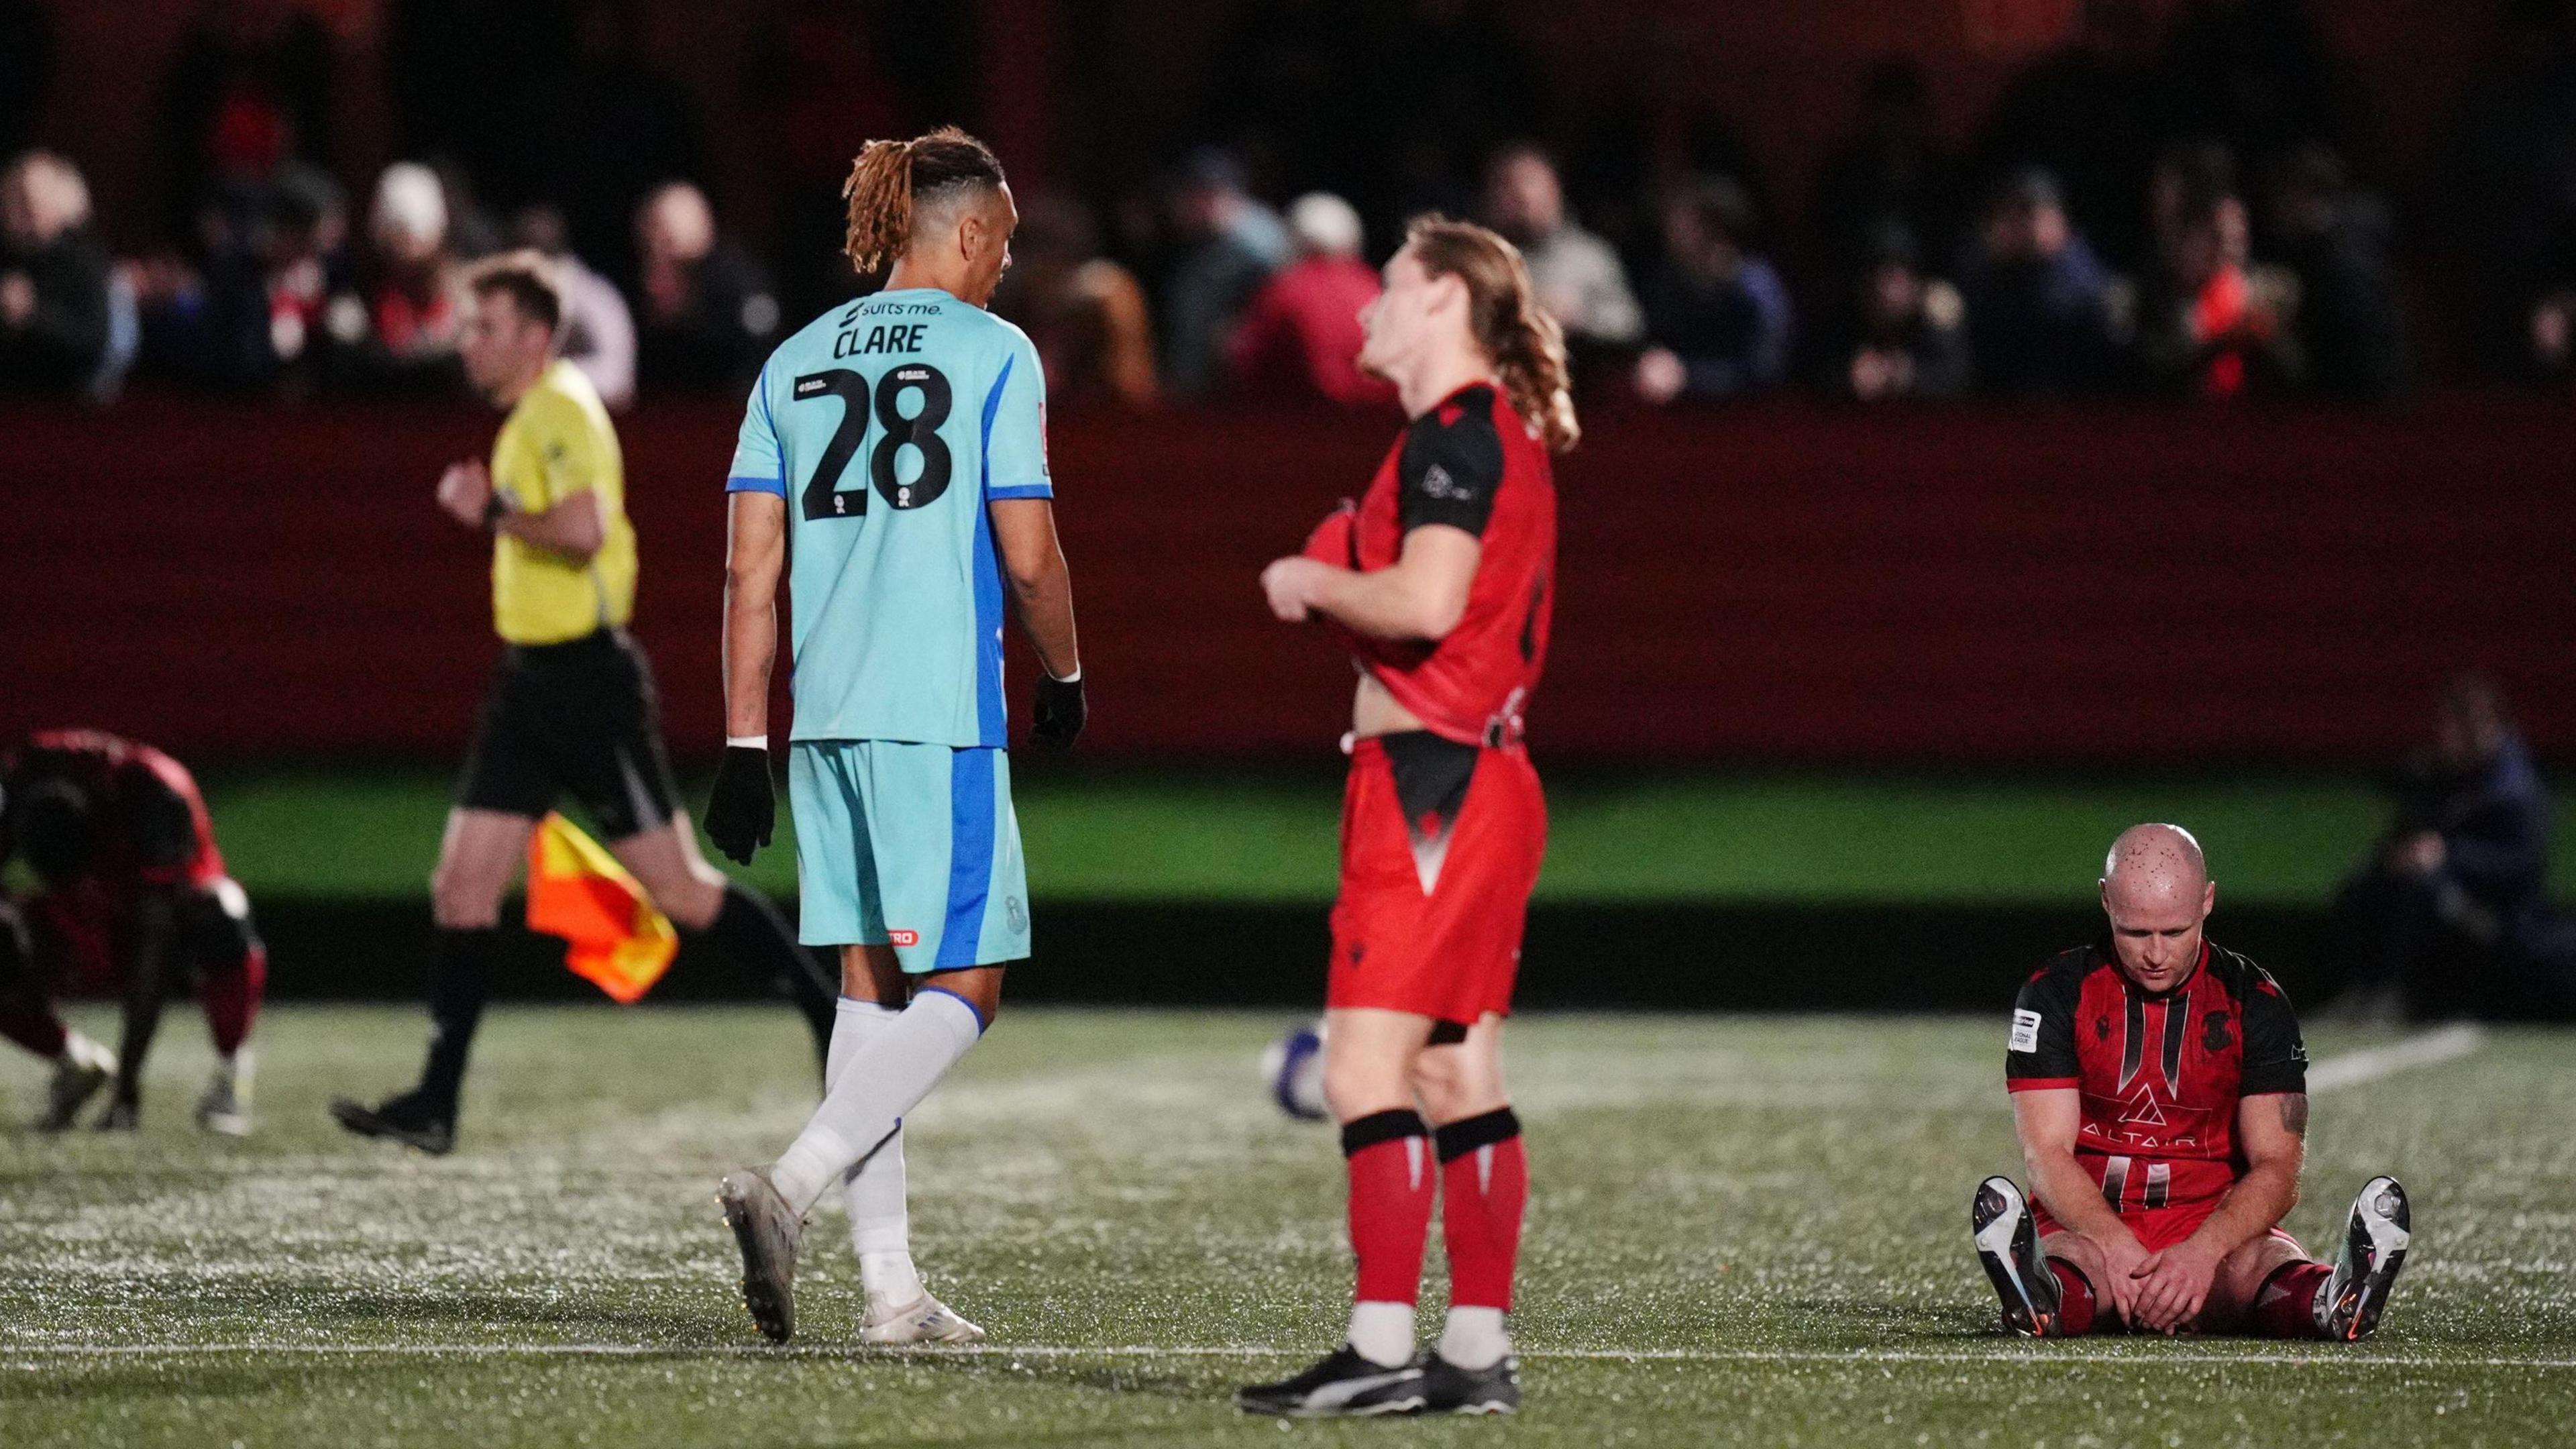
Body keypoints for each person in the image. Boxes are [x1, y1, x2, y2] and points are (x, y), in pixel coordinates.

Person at [704, 127, 1086, 1350]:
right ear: (970, 232)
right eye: (1006, 244)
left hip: (826, 721)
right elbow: (1027, 548)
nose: (1006, 267)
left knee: (868, 987)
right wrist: (1066, 672)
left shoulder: (793, 361)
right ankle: (792, 1189)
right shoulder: (996, 351)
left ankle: (891, 1292)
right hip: (939, 712)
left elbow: (744, 572)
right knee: (969, 979)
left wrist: (742, 744)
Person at [329, 252, 837, 1157]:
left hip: (589, 685)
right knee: (462, 884)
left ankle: (827, 1010)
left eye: (483, 326)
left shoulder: (560, 407)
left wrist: (487, 510)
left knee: (679, 890)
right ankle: (436, 1103)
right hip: (527, 684)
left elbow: (582, 531)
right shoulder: (532, 411)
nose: (466, 341)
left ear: (531, 334)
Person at [1239, 215, 1572, 1417]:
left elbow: (1427, 601)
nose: (1367, 306)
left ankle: (1381, 1349)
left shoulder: (1452, 437)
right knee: (1454, 1075)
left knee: (1359, 1072)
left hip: (1431, 787)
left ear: (1441, 299)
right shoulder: (1495, 435)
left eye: (1388, 286)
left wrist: (1312, 578)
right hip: (1484, 782)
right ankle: (1474, 1353)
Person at [1973, 824, 2412, 1343]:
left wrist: (2202, 1254)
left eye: (2175, 932)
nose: (2156, 954)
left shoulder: (2257, 1002)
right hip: (2089, 1225)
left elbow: (2279, 1165)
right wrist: (2116, 1246)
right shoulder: (2054, 995)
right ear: (2105, 900)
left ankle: (2334, 1302)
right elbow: (2046, 1152)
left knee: (2262, 1262)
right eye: (2136, 933)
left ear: (2208, 902)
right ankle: (2040, 1299)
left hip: (2211, 1231)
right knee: (2074, 1259)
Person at [1, 730, 265, 1134]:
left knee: (219, 912)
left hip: (156, 913)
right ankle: (75, 1061)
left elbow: (153, 953)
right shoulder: (18, 782)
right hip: (81, 919)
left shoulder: (151, 795)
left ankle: (231, 1068)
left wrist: (128, 1087)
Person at [2328, 676, 2558, 1021]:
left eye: (2465, 727)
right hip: (2444, 888)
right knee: (2368, 886)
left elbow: (2520, 867)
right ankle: (2364, 988)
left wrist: (2449, 855)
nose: (2451, 738)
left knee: (2422, 892)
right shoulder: (2440, 776)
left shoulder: (2514, 791)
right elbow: (2410, 828)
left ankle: (2399, 993)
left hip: (2497, 914)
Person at [1956, 168, 2125, 396]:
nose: (2022, 229)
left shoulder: (2083, 283)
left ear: (2059, 219)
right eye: (2013, 217)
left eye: (2031, 215)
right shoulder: (1989, 274)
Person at [1632, 175, 1794, 404]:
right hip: (1684, 420)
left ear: (1714, 229)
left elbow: (1767, 368)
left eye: (1686, 222)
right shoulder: (1668, 280)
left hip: (1750, 420)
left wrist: (1689, 377)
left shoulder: (1756, 287)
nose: (1673, 230)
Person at [1226, 191, 1394, 407]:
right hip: (1375, 424)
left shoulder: (1286, 291)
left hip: (1304, 422)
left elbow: (1245, 359)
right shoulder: (1375, 289)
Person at [1482, 143, 1641, 358]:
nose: (1523, 199)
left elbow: (1628, 324)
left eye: (1531, 185)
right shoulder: (1483, 260)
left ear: (1554, 188)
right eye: (1508, 188)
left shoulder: (1590, 257)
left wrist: (1581, 317)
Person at [632, 180, 780, 394]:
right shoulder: (657, 284)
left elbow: (755, 353)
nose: (656, 248)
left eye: (664, 236)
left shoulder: (736, 280)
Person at [0, 150, 114, 395]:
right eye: (16, 199)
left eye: (34, 201)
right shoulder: (7, 255)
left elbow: (92, 343)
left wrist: (32, 315)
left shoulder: (82, 260)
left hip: (63, 404)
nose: (26, 210)